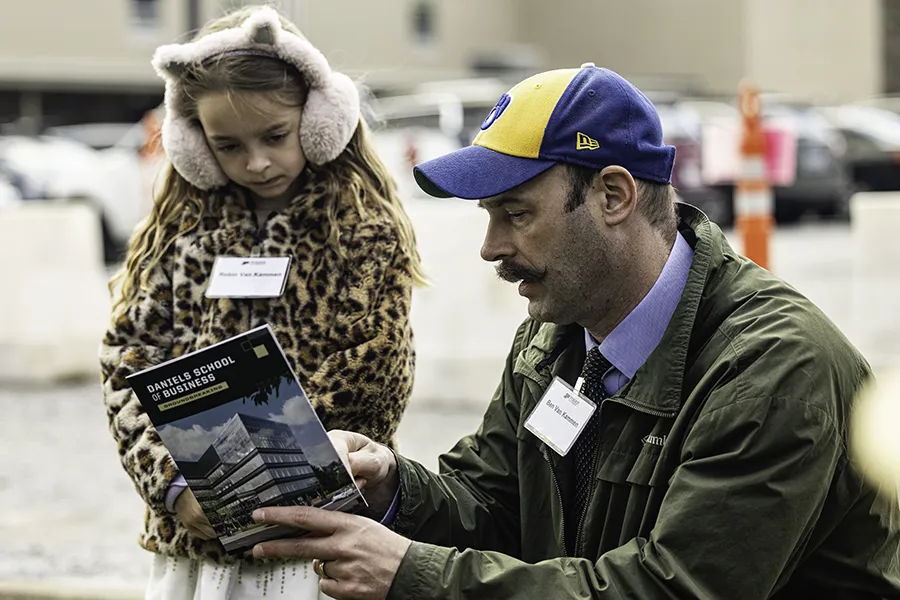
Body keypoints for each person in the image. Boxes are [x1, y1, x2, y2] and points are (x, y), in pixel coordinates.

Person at [247, 64, 900, 599]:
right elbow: (492, 505)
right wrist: (392, 485)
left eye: (516, 213)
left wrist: (416, 574)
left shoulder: (774, 370)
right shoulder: (554, 336)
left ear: (613, 197)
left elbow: (671, 591)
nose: (491, 247)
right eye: (487, 215)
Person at [98, 5, 424, 599]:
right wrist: (177, 482)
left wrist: (258, 478)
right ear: (194, 142)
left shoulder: (362, 229)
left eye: (275, 135)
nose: (256, 162)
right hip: (193, 540)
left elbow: (374, 369)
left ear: (322, 117)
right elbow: (128, 359)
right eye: (227, 145)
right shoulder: (179, 230)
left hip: (313, 543)